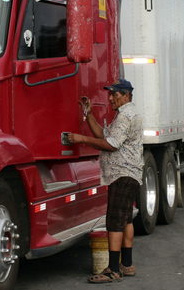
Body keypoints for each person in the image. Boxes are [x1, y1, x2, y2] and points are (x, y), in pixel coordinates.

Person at [67, 79, 143, 284]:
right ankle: (126, 264)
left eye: (115, 94)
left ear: (126, 95)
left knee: (115, 222)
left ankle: (113, 270)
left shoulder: (126, 115)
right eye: (110, 94)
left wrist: (81, 139)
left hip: (123, 174)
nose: (110, 98)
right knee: (126, 220)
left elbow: (111, 144)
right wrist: (88, 113)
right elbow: (102, 135)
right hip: (128, 174)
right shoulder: (124, 114)